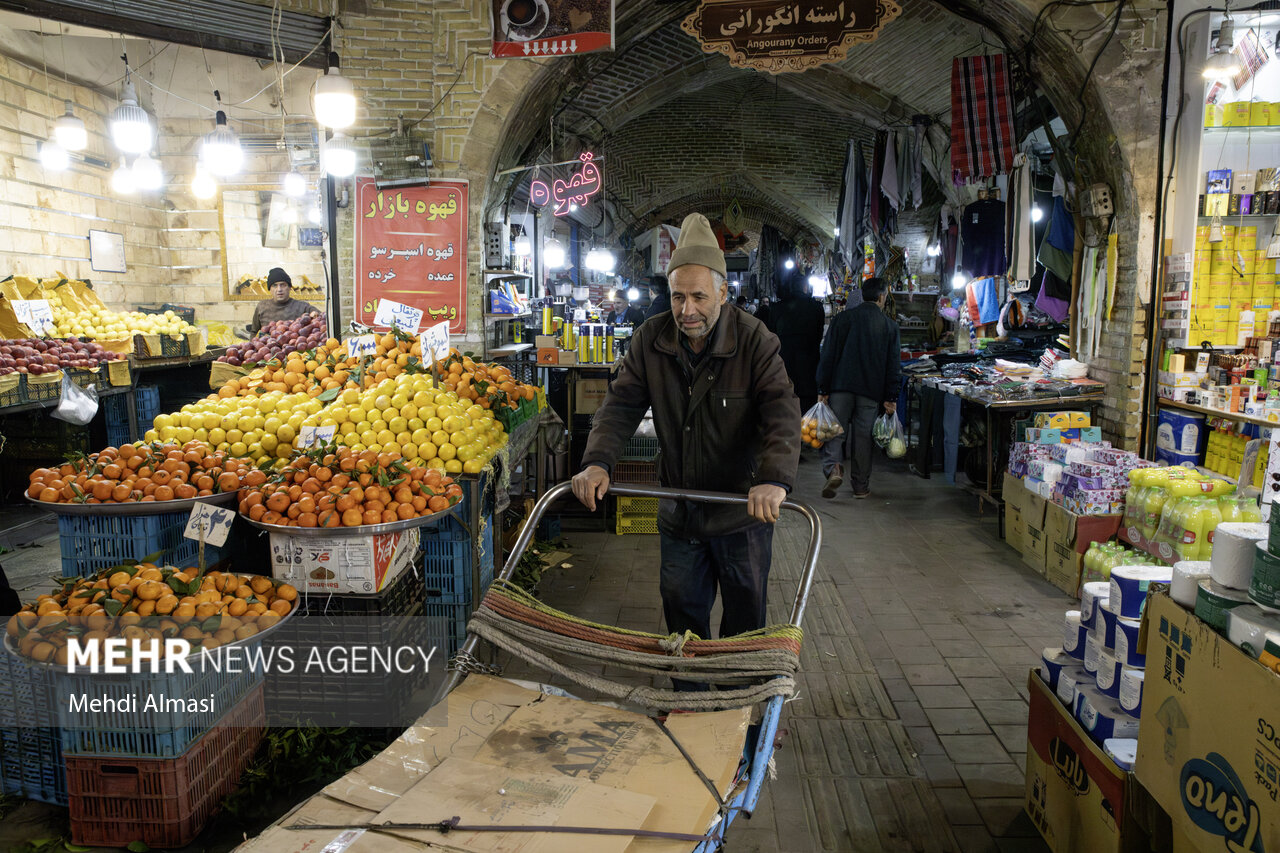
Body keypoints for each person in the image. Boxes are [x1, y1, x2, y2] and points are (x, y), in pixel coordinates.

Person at [573, 212, 800, 653]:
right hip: (680, 511)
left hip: (740, 513)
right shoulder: (650, 340)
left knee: (745, 619)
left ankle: (736, 705)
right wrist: (597, 461)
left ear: (723, 292)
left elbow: (781, 409)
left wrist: (773, 478)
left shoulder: (755, 341)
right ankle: (691, 705)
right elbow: (619, 406)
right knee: (682, 618)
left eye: (699, 297)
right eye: (678, 297)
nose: (687, 310)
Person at [815, 276, 901, 499]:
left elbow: (828, 355)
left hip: (840, 387)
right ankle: (861, 487)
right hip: (870, 392)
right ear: (882, 297)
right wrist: (891, 396)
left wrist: (823, 388)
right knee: (863, 438)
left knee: (835, 432)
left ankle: (834, 469)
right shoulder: (889, 326)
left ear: (863, 295)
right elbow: (893, 365)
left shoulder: (842, 319)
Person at [768, 270, 825, 415]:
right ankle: (805, 435)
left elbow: (771, 336)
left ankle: (787, 434)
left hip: (784, 362)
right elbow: (819, 335)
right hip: (809, 362)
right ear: (805, 287)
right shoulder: (816, 307)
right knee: (807, 409)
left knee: (785, 404)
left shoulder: (776, 308)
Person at [249, 268, 313, 333]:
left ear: (290, 288)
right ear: (269, 289)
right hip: (268, 343)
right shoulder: (262, 306)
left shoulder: (303, 307)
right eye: (274, 285)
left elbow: (320, 317)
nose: (279, 289)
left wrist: (313, 315)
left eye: (283, 285)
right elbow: (254, 332)